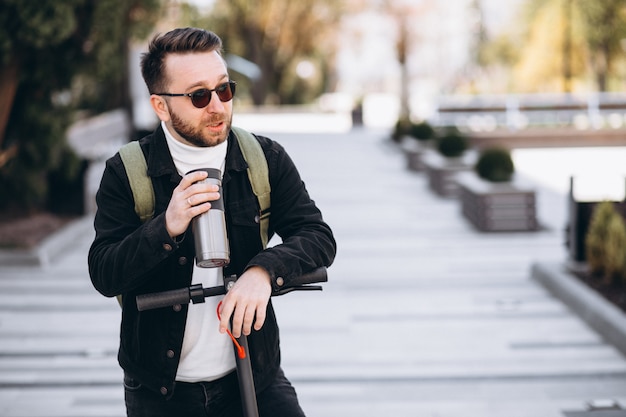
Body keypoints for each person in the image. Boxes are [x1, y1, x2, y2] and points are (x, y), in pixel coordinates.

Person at [88, 27, 336, 417]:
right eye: (199, 96)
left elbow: (317, 236)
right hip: (160, 390)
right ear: (160, 106)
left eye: (224, 89)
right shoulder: (127, 172)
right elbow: (104, 273)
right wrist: (165, 227)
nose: (218, 106)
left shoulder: (264, 157)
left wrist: (264, 271)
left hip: (255, 374)